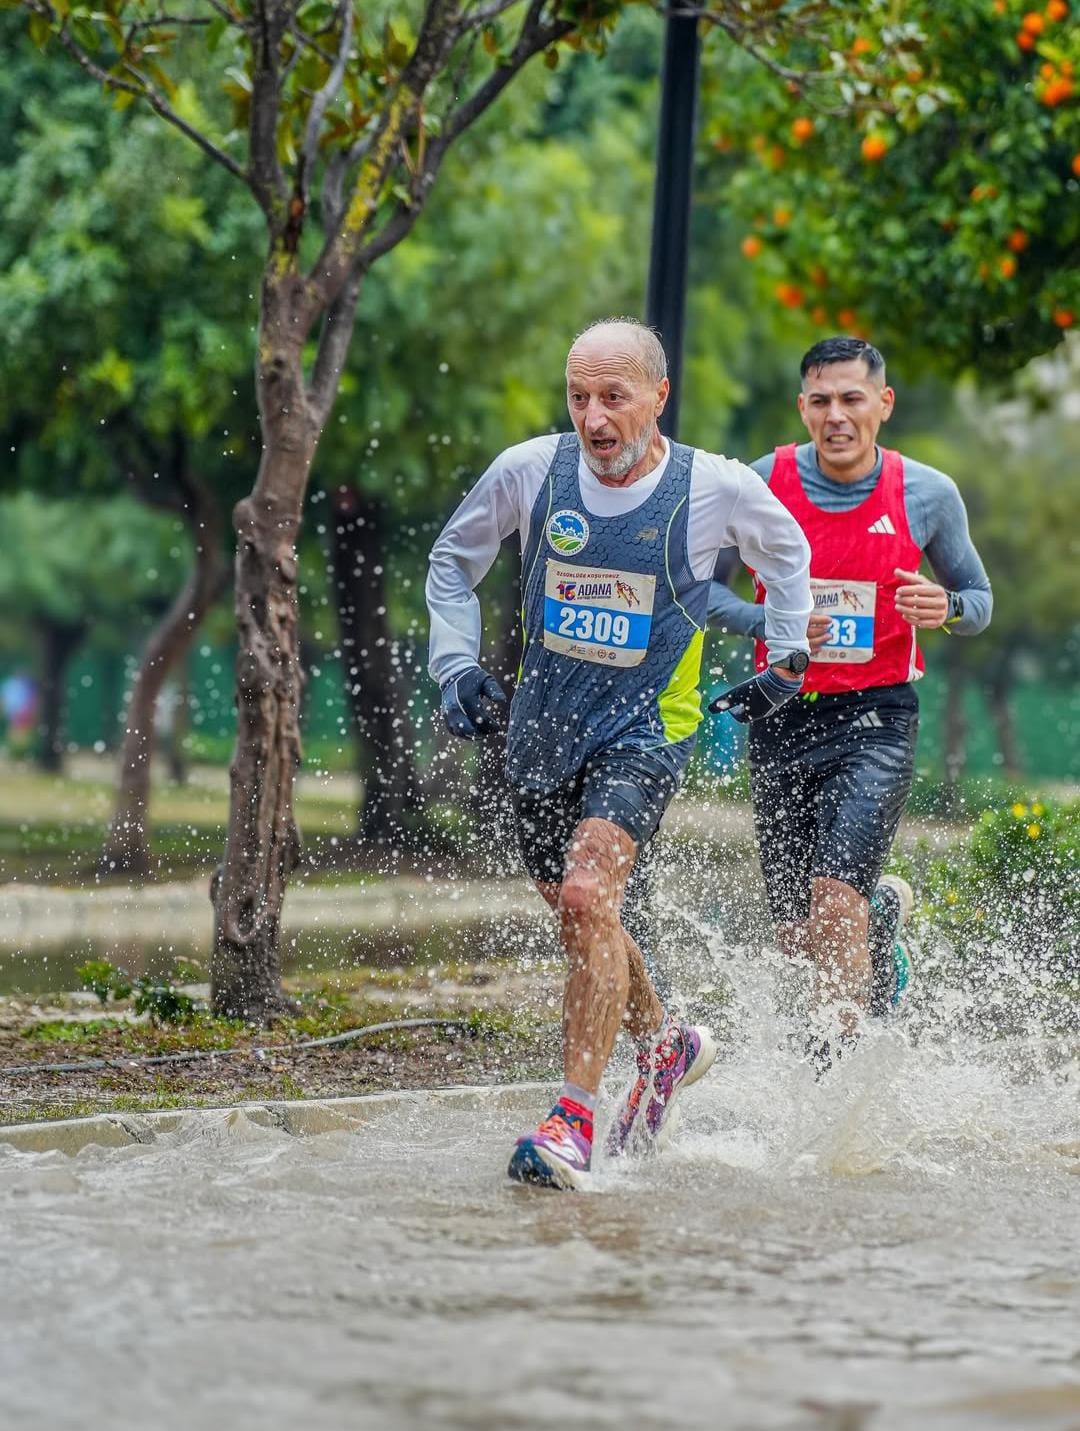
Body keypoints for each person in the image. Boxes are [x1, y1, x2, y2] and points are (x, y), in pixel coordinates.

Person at [426, 318, 813, 1189]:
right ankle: (665, 1045)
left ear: (658, 395)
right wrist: (455, 664)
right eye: (578, 397)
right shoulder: (531, 470)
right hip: (542, 729)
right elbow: (452, 561)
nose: (594, 418)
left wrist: (788, 658)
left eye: (613, 396)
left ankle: (572, 1119)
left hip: (646, 729)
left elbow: (788, 551)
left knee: (586, 892)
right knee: (581, 915)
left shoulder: (710, 486)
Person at [708, 336, 992, 1064]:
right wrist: (768, 620)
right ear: (802, 408)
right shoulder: (761, 482)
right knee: (797, 933)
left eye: (852, 399)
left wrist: (947, 606)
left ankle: (832, 1070)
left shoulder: (927, 493)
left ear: (883, 404)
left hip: (877, 717)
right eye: (821, 401)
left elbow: (979, 601)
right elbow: (700, 588)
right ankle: (880, 931)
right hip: (781, 713)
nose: (836, 415)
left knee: (835, 898)